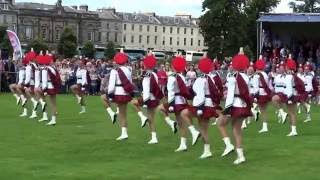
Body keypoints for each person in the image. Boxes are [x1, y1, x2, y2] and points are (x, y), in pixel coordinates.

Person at [221, 47, 252, 164]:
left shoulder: (233, 77)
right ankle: (240, 155)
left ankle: (228, 145)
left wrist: (227, 109)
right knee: (236, 130)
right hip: (243, 106)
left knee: (220, 123)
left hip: (234, 106)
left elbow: (230, 95)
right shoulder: (246, 77)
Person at [167, 55, 200, 152]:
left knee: (181, 120)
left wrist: (171, 104)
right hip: (182, 99)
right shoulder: (181, 76)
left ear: (173, 66)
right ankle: (183, 143)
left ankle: (193, 132)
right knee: (181, 122)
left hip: (176, 101)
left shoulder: (172, 77)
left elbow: (171, 91)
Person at [189, 56, 219, 159]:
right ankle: (206, 149)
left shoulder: (202, 78)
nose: (197, 68)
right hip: (208, 103)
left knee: (203, 128)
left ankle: (207, 150)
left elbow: (201, 93)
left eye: (198, 66)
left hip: (203, 104)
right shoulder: (210, 77)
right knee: (203, 128)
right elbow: (215, 91)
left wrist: (200, 108)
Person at [108, 50, 134, 141]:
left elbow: (111, 85)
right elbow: (131, 82)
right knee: (123, 113)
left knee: (121, 114)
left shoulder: (114, 70)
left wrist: (110, 94)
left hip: (118, 92)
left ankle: (124, 133)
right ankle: (124, 132)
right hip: (126, 93)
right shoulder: (128, 70)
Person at [41, 51, 61, 126]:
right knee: (53, 103)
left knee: (52, 104)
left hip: (50, 87)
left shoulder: (48, 68)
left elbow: (47, 80)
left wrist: (45, 89)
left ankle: (53, 120)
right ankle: (53, 119)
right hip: (52, 87)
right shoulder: (52, 68)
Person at [255, 57, 272, 133]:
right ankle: (265, 126)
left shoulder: (258, 74)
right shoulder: (265, 73)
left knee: (262, 111)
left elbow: (262, 84)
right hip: (264, 92)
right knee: (263, 111)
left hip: (261, 92)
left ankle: (265, 127)